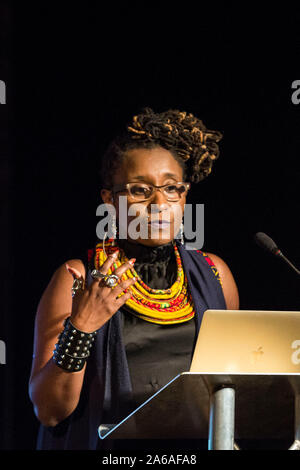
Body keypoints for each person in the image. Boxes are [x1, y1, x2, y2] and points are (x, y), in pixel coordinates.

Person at [29, 108, 239, 450]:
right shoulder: (78, 278)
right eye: (140, 190)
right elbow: (50, 411)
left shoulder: (214, 274)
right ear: (110, 200)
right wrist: (81, 326)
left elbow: (231, 389)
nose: (159, 203)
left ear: (184, 197)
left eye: (171, 188)